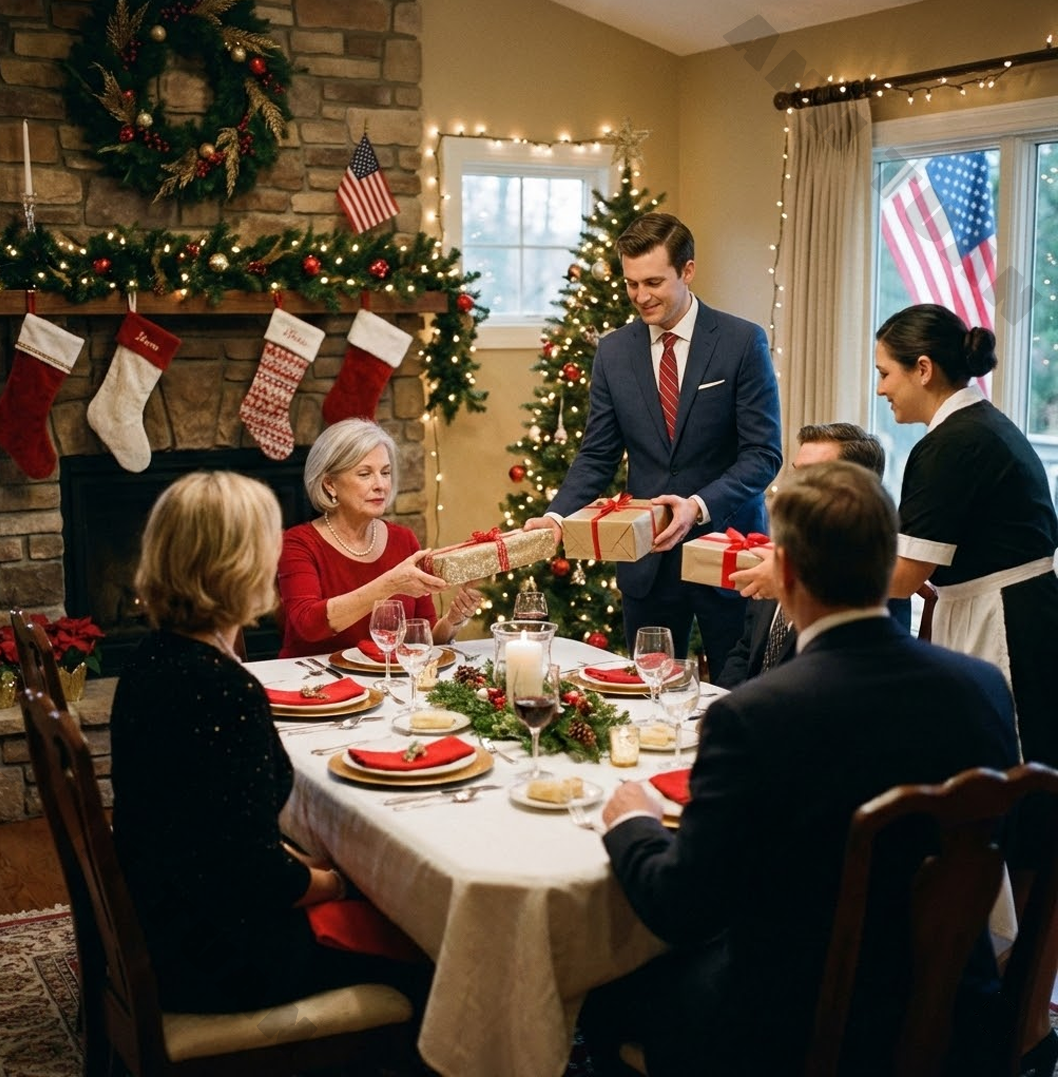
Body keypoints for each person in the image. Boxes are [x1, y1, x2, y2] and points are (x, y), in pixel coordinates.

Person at [580, 461, 1018, 1076]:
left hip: (792, 1031)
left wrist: (634, 823)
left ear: (783, 572)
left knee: (606, 993)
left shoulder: (755, 717)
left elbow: (683, 908)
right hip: (953, 1010)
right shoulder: (981, 687)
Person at [110, 471, 428, 1014]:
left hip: (162, 917)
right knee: (424, 940)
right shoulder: (225, 691)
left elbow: (222, 833)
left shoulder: (149, 660)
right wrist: (343, 884)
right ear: (240, 567)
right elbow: (258, 877)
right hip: (222, 958)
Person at [875, 303, 1058, 1073]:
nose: (881, 389)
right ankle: (997, 979)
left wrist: (793, 576)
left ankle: (1005, 1000)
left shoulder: (949, 445)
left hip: (1007, 628)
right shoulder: (978, 428)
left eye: (886, 373)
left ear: (924, 370)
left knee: (1003, 797)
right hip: (1000, 608)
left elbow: (902, 575)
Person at [524, 212, 781, 680]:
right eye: (631, 284)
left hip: (726, 553)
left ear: (687, 271)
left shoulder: (742, 342)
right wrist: (558, 515)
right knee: (649, 690)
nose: (640, 297)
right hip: (646, 562)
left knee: (738, 690)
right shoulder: (613, 351)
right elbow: (597, 453)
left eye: (654, 282)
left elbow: (763, 455)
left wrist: (698, 506)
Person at [717, 421, 910, 687]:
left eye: (811, 477)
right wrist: (721, 704)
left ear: (857, 488)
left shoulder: (873, 576)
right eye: (796, 475)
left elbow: (849, 682)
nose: (791, 489)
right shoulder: (781, 552)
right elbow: (745, 651)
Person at [278, 418, 480, 658]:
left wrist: (453, 620)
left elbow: (424, 641)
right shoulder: (298, 542)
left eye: (385, 472)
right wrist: (391, 584)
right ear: (330, 484)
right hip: (314, 684)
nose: (381, 485)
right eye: (365, 474)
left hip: (385, 681)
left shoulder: (403, 539)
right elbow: (308, 623)